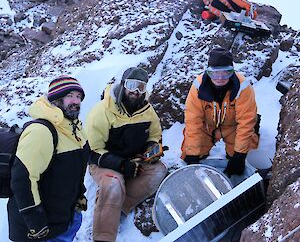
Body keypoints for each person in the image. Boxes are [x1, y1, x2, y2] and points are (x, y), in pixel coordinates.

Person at [86, 67, 168, 242]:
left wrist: (152, 150)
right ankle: (103, 237)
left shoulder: (147, 110)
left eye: (141, 87)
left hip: (135, 159)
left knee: (159, 171)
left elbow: (155, 135)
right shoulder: (102, 111)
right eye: (132, 85)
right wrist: (121, 165)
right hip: (103, 162)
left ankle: (117, 208)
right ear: (123, 85)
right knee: (114, 183)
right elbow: (92, 151)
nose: (136, 91)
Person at [8, 76, 89, 242]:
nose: (76, 101)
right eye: (70, 96)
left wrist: (79, 196)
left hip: (64, 221)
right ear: (56, 99)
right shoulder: (41, 131)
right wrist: (36, 223)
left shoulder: (76, 129)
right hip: (39, 230)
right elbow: (22, 179)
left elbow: (74, 171)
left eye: (79, 97)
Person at [181, 47, 259, 178]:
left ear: (232, 72)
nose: (220, 78)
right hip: (207, 127)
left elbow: (246, 122)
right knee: (191, 153)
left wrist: (240, 155)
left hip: (232, 127)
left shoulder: (243, 87)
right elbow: (193, 122)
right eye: (215, 73)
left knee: (237, 155)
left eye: (226, 73)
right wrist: (192, 154)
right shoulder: (198, 87)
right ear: (208, 72)